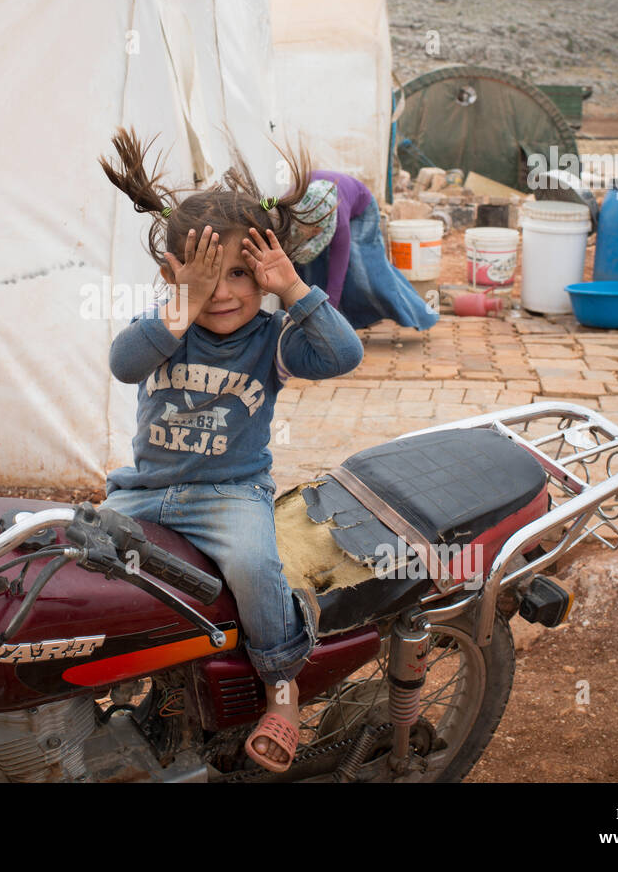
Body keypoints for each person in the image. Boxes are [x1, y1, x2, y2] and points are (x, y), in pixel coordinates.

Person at [97, 128, 363, 772]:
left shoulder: (272, 339)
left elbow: (343, 354)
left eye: (241, 273)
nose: (223, 292)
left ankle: (281, 683)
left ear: (265, 276)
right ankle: (135, 681)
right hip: (145, 491)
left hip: (229, 496)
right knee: (92, 563)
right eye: (205, 275)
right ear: (172, 275)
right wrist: (178, 306)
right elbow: (122, 364)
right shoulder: (164, 328)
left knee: (250, 566)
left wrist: (295, 291)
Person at [290, 169, 438, 332]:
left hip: (361, 208)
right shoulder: (293, 203)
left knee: (363, 270)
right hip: (325, 207)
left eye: (318, 230)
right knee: (310, 264)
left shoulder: (339, 224)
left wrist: (329, 320)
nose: (315, 234)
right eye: (312, 229)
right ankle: (325, 321)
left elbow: (337, 274)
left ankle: (420, 314)